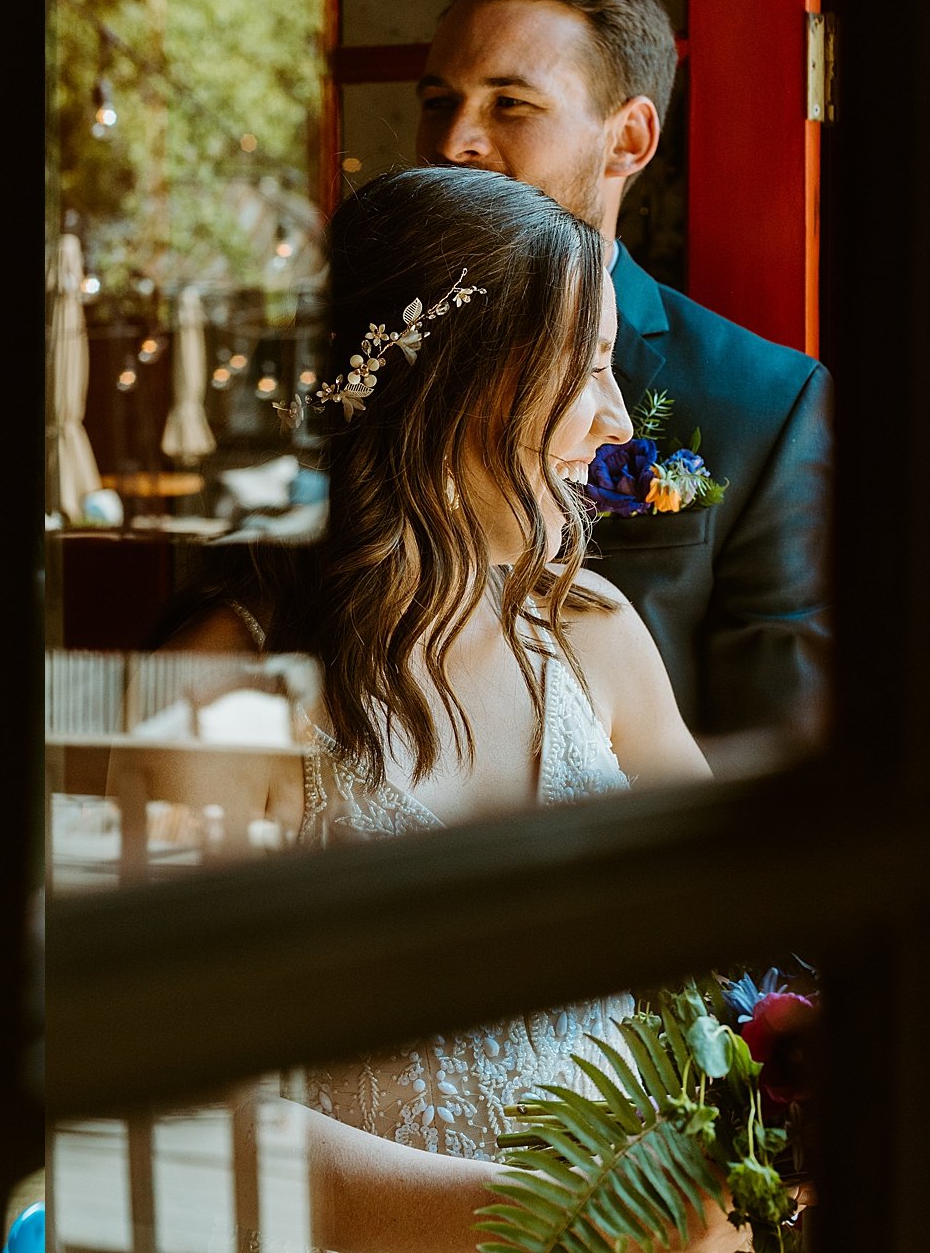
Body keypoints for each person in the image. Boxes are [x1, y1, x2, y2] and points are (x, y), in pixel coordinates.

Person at [114, 166, 722, 1251]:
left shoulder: (593, 634)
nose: (617, 418)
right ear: (445, 385)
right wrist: (565, 1224)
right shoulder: (221, 696)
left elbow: (747, 917)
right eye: (579, 370)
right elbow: (176, 1115)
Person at [415, 0, 830, 741]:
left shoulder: (764, 403)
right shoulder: (357, 356)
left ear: (630, 140)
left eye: (511, 104)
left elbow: (776, 748)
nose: (453, 141)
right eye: (439, 99)